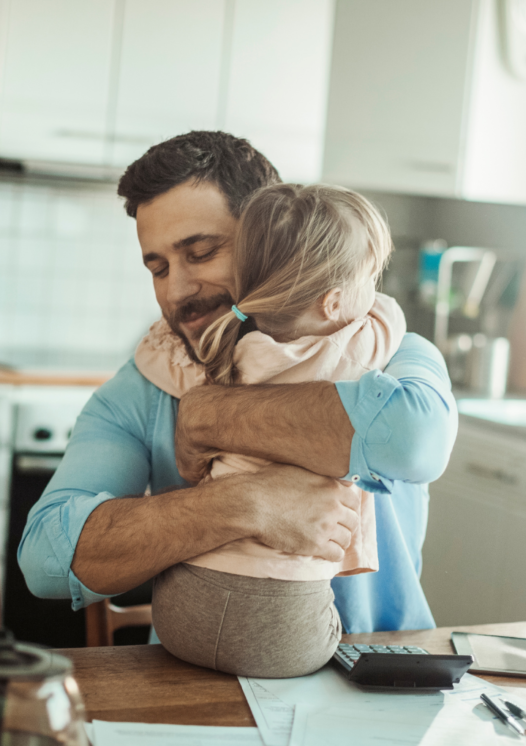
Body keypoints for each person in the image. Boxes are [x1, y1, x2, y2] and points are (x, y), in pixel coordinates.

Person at [18, 131, 457, 639]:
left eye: (201, 253)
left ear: (272, 239)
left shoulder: (381, 346)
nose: (176, 290)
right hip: (205, 674)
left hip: (377, 677)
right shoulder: (148, 382)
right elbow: (45, 558)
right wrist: (246, 504)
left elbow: (417, 441)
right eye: (157, 268)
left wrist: (211, 415)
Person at [139, 182, 406, 677]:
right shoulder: (356, 348)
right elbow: (392, 315)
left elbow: (156, 357)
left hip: (180, 606)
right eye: (371, 275)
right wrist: (363, 294)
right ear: (333, 302)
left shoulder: (226, 350)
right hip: (281, 616)